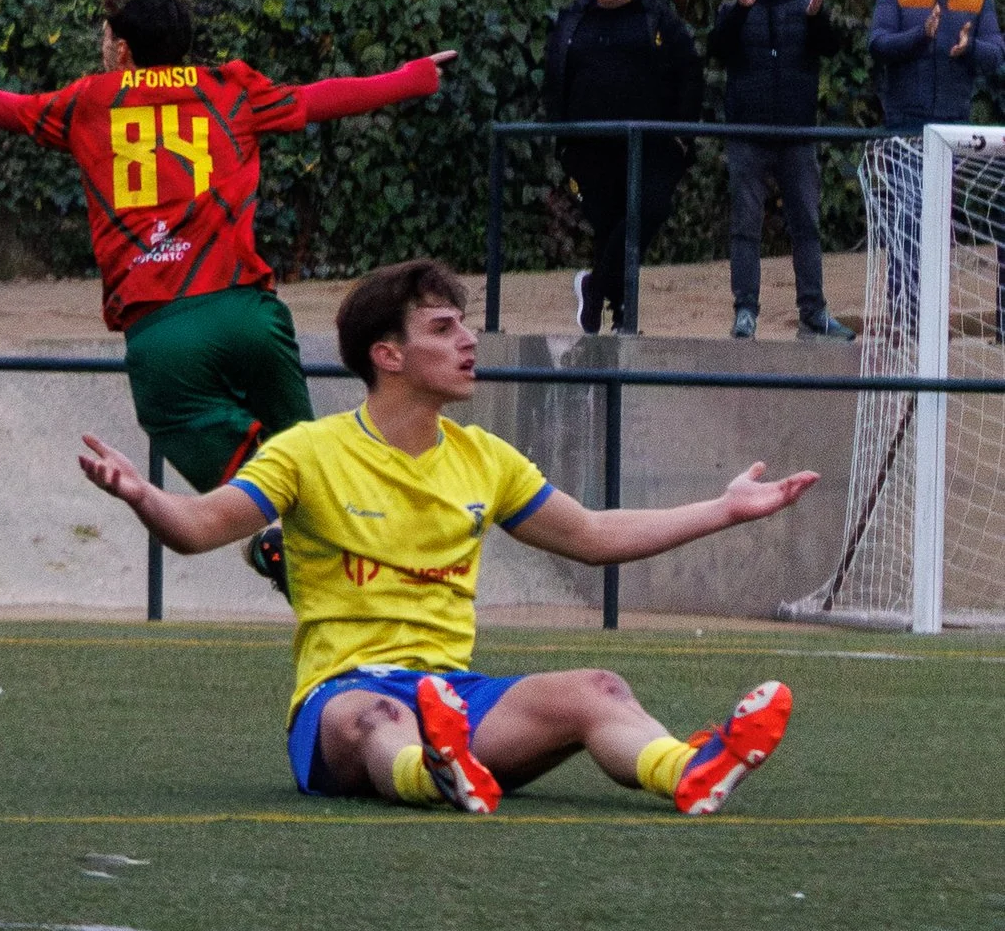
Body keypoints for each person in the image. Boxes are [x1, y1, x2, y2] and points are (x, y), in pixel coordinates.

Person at [78, 256, 816, 814]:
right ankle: (432, 772)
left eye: (463, 325)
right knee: (377, 716)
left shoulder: (484, 457)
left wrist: (724, 508)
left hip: (456, 701)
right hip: (343, 698)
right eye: (443, 328)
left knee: (598, 688)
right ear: (387, 355)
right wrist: (145, 496)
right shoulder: (306, 452)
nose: (468, 341)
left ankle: (687, 770)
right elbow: (198, 528)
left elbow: (593, 534)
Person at [0, 0, 449, 580]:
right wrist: (413, 76)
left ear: (122, 50)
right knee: (313, 470)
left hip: (165, 330)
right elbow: (322, 98)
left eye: (105, 37)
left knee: (250, 481)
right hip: (250, 315)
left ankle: (266, 534)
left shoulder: (90, 102)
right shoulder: (230, 89)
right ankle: (394, 558)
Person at [545, 0, 703, 336]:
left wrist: (682, 135)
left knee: (648, 212)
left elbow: (689, 70)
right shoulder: (574, 20)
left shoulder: (656, 17)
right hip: (590, 145)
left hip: (651, 145)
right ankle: (621, 318)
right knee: (608, 226)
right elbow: (555, 74)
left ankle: (594, 287)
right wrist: (562, 137)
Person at [707, 0, 848, 345]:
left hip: (796, 136)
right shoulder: (733, 9)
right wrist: (741, 9)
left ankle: (813, 311)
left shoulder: (806, 6)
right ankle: (745, 310)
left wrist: (816, 18)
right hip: (747, 135)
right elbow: (716, 50)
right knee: (745, 225)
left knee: (806, 225)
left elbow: (830, 48)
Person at [868, 0, 1004, 130]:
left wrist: (969, 47)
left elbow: (996, 55)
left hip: (956, 125)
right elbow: (877, 45)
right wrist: (921, 34)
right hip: (904, 124)